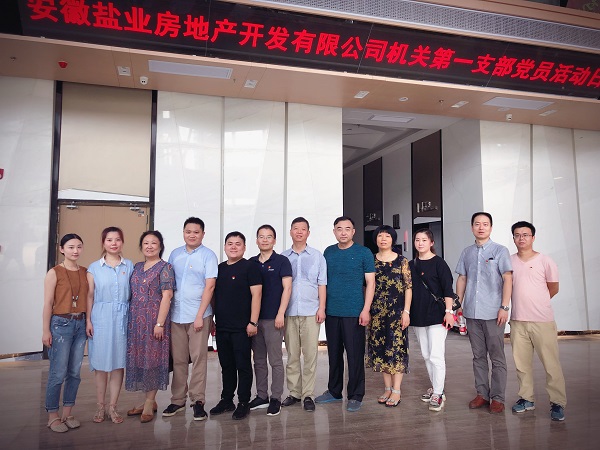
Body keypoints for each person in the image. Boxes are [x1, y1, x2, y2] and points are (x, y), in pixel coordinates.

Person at [316, 216, 375, 412]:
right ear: (334, 231)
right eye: (339, 229)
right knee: (334, 354)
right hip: (332, 311)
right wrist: (322, 307)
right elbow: (323, 281)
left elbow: (371, 283)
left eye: (347, 229)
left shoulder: (363, 253)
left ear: (353, 232)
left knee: (355, 355)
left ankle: (356, 395)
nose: (343, 232)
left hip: (354, 312)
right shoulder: (328, 252)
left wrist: (366, 309)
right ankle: (334, 391)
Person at [509, 221, 566, 421]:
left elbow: (554, 287)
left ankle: (557, 402)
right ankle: (526, 398)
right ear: (513, 238)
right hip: (518, 321)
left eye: (525, 235)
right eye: (517, 235)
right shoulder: (509, 261)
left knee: (551, 364)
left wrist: (538, 302)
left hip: (542, 321)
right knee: (521, 364)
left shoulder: (545, 261)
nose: (521, 238)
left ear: (533, 238)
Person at [456, 212, 512, 413]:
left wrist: (504, 307)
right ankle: (482, 394)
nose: (481, 227)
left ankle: (497, 397)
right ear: (472, 227)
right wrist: (458, 304)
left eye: (485, 224)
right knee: (478, 356)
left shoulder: (500, 251)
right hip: (472, 312)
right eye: (477, 224)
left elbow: (507, 278)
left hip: (494, 313)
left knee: (497, 357)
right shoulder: (467, 252)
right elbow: (462, 278)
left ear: (491, 227)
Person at [163, 217, 218, 421]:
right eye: (188, 231)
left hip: (198, 316)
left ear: (203, 234)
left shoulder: (208, 256)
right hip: (176, 315)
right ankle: (178, 400)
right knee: (178, 359)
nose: (192, 235)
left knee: (198, 359)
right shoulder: (175, 254)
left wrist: (200, 315)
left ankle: (198, 401)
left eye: (196, 232)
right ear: (183, 233)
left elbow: (210, 287)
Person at [209, 232, 262, 420]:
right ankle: (227, 399)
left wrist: (253, 322)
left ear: (244, 247)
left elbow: (257, 295)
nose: (233, 247)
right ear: (224, 247)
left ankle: (243, 402)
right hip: (222, 326)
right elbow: (214, 295)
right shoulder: (220, 269)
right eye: (230, 243)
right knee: (226, 365)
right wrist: (212, 319)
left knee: (243, 365)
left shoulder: (250, 267)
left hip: (242, 327)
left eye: (238, 244)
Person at [125, 230, 175, 423]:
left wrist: (160, 323)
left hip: (155, 320)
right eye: (146, 243)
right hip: (136, 321)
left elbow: (167, 296)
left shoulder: (165, 267)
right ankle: (147, 400)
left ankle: (149, 402)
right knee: (140, 359)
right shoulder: (137, 267)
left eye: (154, 243)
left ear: (160, 246)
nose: (149, 246)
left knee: (153, 360)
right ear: (141, 246)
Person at [86, 227, 134, 424]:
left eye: (117, 239)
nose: (114, 243)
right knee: (100, 364)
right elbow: (90, 296)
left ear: (122, 242)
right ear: (103, 243)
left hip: (123, 318)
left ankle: (113, 406)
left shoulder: (129, 266)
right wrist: (88, 320)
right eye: (109, 240)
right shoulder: (94, 268)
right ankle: (100, 406)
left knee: (118, 364)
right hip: (101, 318)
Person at [43, 234, 89, 433]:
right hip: (60, 324)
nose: (75, 251)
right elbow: (47, 303)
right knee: (58, 372)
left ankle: (67, 413)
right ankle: (52, 416)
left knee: (74, 372)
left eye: (79, 246)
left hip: (80, 324)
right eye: (70, 247)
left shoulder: (85, 272)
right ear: (62, 249)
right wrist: (45, 330)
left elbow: (89, 299)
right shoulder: (54, 272)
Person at [281, 217, 327, 412]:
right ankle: (294, 393)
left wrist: (321, 308)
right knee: (292, 354)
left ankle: (308, 394)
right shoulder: (283, 257)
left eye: (303, 229)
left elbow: (322, 284)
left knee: (310, 355)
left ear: (308, 232)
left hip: (311, 311)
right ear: (290, 232)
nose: (299, 232)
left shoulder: (317, 256)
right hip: (289, 312)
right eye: (295, 228)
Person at [408, 229, 455, 412]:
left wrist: (449, 312)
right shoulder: (411, 264)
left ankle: (438, 392)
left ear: (431, 243)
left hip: (437, 315)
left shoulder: (439, 263)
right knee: (426, 355)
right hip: (418, 316)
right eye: (417, 240)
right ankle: (436, 388)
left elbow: (448, 289)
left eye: (424, 240)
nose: (420, 243)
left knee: (436, 355)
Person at [248, 225, 292, 416]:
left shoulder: (282, 261)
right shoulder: (251, 263)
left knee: (275, 360)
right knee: (258, 360)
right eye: (261, 237)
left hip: (274, 319)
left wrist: (281, 313)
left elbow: (287, 288)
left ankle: (276, 398)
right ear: (256, 240)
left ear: (274, 240)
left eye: (268, 237)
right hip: (255, 320)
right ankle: (261, 396)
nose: (265, 240)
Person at [366, 225, 412, 408]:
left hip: (397, 313)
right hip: (377, 313)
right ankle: (387, 388)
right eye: (380, 236)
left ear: (393, 240)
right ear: (375, 239)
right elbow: (367, 286)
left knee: (396, 350)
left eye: (387, 236)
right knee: (381, 350)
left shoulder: (402, 261)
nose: (383, 239)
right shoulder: (370, 260)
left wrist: (406, 312)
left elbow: (408, 287)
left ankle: (397, 390)